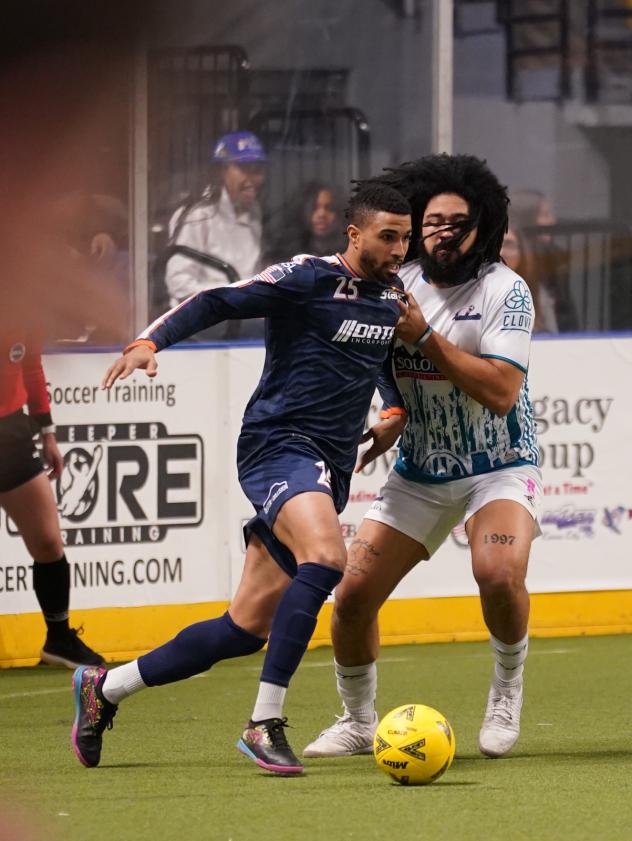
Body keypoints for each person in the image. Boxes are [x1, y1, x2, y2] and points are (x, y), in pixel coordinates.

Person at [70, 183, 413, 775]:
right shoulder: (307, 278)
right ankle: (264, 723)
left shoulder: (393, 298)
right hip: (278, 446)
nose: (400, 249)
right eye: (388, 236)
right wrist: (151, 340)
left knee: (244, 627)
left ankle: (105, 689)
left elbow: (382, 362)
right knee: (328, 557)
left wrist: (393, 414)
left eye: (406, 237)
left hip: (326, 468)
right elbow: (217, 299)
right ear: (354, 235)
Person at [303, 154, 543, 761]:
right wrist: (393, 416)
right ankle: (359, 722)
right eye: (429, 222)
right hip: (419, 473)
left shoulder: (503, 290)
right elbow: (384, 366)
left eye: (455, 222)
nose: (441, 233)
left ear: (481, 226)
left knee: (496, 573)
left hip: (499, 465)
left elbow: (499, 390)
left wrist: (425, 338)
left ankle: (506, 689)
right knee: (351, 596)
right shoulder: (395, 283)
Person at [0, 337, 104, 668]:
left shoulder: (24, 304)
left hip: (11, 433)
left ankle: (58, 638)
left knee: (47, 541)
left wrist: (47, 432)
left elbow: (30, 366)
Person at [164, 130, 267, 309]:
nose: (253, 178)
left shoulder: (255, 212)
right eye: (244, 168)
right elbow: (179, 284)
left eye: (257, 170)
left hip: (244, 321)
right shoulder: (196, 215)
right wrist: (231, 297)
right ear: (222, 171)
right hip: (201, 325)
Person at [510, 189, 578, 333]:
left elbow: (567, 316)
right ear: (527, 219)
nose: (552, 221)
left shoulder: (555, 258)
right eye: (545, 215)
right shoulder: (506, 262)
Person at [267, 181, 346, 263]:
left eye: (329, 208)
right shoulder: (285, 252)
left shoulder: (346, 253)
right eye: (314, 207)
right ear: (302, 211)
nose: (321, 214)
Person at [500, 224, 547, 333]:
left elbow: (553, 339)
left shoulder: (538, 294)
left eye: (509, 245)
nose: (501, 252)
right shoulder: (475, 291)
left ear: (522, 252)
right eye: (495, 245)